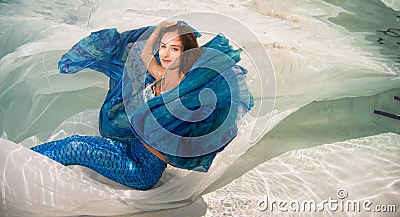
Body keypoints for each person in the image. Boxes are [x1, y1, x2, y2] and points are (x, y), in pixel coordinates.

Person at [31, 21, 253, 190]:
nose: (165, 53)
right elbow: (146, 54)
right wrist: (158, 29)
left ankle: (19, 164)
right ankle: (23, 160)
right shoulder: (160, 74)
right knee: (73, 143)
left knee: (75, 147)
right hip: (130, 149)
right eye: (164, 47)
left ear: (186, 53)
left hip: (142, 169)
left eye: (174, 49)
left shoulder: (186, 85)